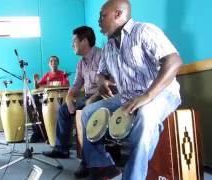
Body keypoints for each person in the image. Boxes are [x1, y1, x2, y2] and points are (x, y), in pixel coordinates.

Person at [77, 0, 183, 179]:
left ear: (118, 14)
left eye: (103, 16)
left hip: (160, 93)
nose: (99, 21)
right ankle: (103, 166)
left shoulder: (144, 31)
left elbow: (174, 61)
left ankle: (133, 176)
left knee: (146, 115)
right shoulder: (109, 46)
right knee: (87, 113)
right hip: (127, 96)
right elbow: (101, 73)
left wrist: (147, 96)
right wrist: (102, 80)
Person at [42, 26, 103, 159]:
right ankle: (61, 149)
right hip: (88, 97)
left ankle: (88, 159)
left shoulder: (102, 56)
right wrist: (69, 98)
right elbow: (75, 85)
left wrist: (93, 99)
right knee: (64, 110)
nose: (72, 45)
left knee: (88, 109)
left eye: (74, 41)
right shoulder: (81, 63)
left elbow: (109, 83)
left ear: (85, 41)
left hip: (103, 97)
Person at [30, 56, 69, 143]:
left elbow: (67, 86)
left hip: (61, 100)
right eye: (51, 61)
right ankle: (42, 134)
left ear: (58, 63)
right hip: (49, 101)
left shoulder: (62, 73)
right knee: (33, 103)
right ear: (49, 64)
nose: (53, 62)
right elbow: (37, 87)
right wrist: (35, 81)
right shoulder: (47, 75)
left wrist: (65, 77)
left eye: (55, 61)